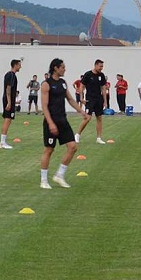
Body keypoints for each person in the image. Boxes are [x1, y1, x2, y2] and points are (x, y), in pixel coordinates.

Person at [40, 58, 89, 189]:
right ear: (55, 68)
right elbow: (44, 106)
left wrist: (81, 111)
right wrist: (50, 123)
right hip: (51, 121)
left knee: (73, 147)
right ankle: (43, 180)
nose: (64, 69)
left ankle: (59, 175)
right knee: (49, 150)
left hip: (63, 120)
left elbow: (71, 99)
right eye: (62, 67)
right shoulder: (46, 84)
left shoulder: (63, 83)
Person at [75, 59, 108, 144]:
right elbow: (82, 86)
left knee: (99, 118)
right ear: (96, 65)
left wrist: (105, 101)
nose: (101, 68)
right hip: (90, 98)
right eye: (100, 66)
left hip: (99, 99)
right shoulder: (88, 74)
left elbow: (103, 88)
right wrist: (81, 98)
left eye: (102, 66)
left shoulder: (102, 75)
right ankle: (77, 134)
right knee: (87, 118)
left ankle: (99, 138)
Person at [0, 58, 21, 150]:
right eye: (19, 65)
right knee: (7, 119)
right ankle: (2, 142)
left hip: (8, 100)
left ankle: (3, 141)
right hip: (8, 100)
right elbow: (8, 89)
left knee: (8, 119)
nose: (20, 67)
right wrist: (9, 102)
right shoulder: (11, 75)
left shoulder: (10, 75)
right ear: (15, 65)